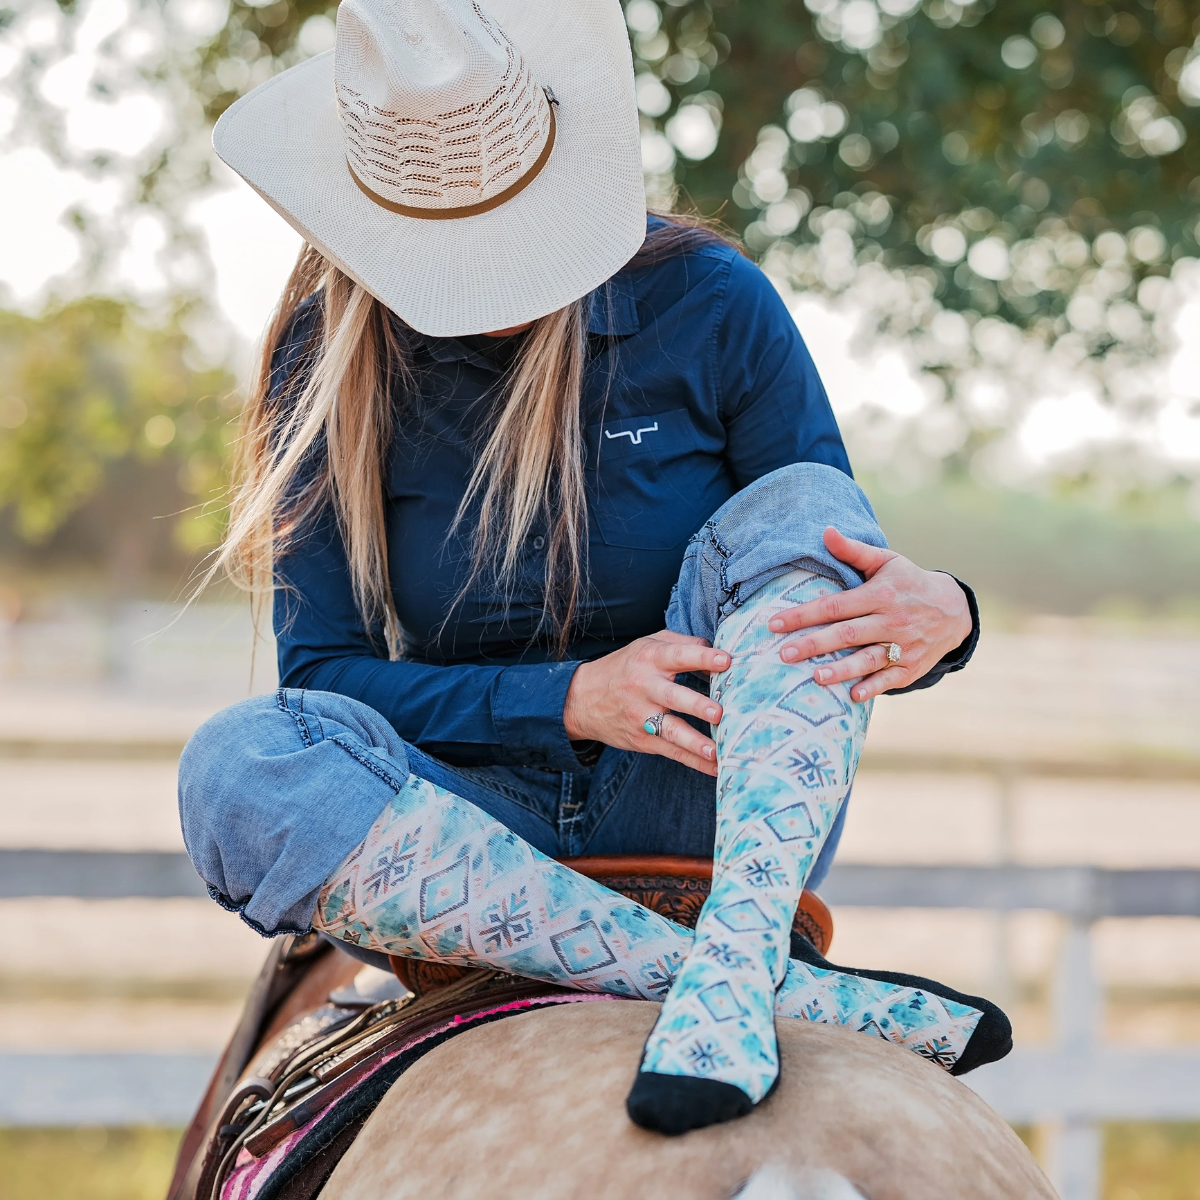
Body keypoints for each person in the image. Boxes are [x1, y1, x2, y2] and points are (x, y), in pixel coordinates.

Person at [178, 0, 1011, 1137]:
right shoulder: (324, 359)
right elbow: (321, 675)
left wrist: (950, 617)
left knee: (806, 504)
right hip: (451, 833)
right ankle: (741, 983)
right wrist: (570, 698)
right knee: (236, 764)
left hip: (706, 798)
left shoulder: (710, 302)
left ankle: (738, 939)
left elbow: (820, 563)